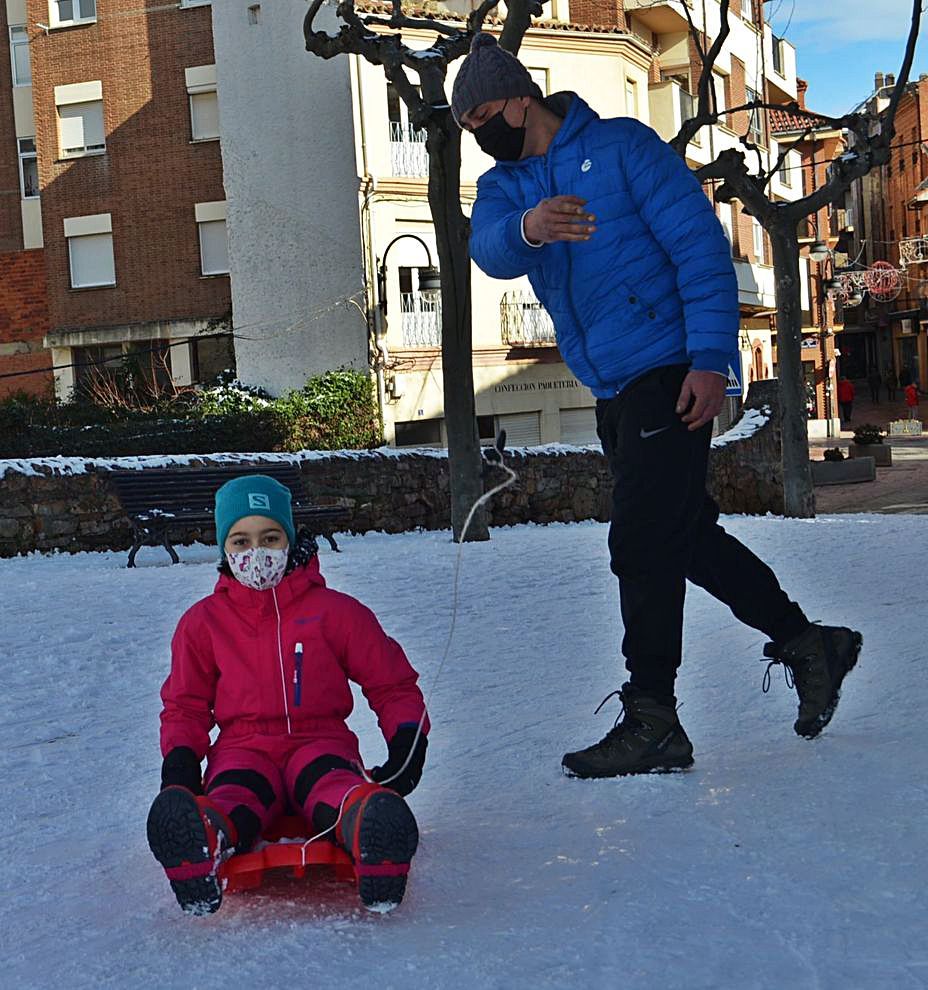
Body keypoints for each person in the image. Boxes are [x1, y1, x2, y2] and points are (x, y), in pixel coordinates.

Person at [452, 33, 862, 778]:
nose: (480, 135)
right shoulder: (506, 189)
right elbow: (490, 250)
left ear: (519, 97)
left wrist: (711, 361)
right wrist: (529, 226)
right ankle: (811, 644)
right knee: (687, 537)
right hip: (609, 384)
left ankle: (654, 719)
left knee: (640, 541)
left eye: (482, 115)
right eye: (468, 127)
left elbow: (700, 251)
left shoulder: (621, 148)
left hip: (668, 366)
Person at [146, 474, 428, 914]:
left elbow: (391, 683)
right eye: (240, 541)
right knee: (235, 793)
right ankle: (201, 838)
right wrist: (180, 764)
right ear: (223, 548)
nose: (255, 553)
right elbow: (185, 704)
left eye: (270, 537)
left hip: (321, 742)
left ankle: (372, 828)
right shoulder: (203, 623)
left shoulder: (335, 613)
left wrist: (407, 737)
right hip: (243, 748)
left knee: (334, 787)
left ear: (290, 538)